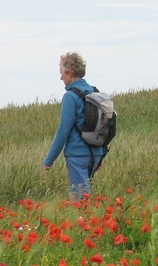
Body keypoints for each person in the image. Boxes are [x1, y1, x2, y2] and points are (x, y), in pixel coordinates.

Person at [43, 52, 105, 201]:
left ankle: (84, 223)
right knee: (77, 193)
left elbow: (63, 131)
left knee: (80, 199)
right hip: (96, 153)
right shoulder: (95, 92)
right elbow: (103, 126)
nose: (61, 77)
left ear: (69, 72)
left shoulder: (70, 97)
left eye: (62, 73)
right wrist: (101, 155)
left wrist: (49, 160)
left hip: (77, 154)